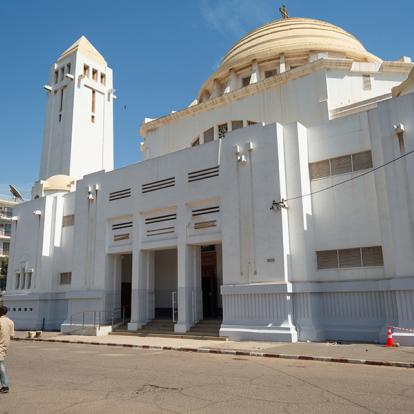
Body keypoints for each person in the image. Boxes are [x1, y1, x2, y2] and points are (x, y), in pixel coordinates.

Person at [0, 306, 14, 393]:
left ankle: (5, 386)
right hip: (5, 346)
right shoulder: (10, 322)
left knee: (1, 365)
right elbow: (12, 335)